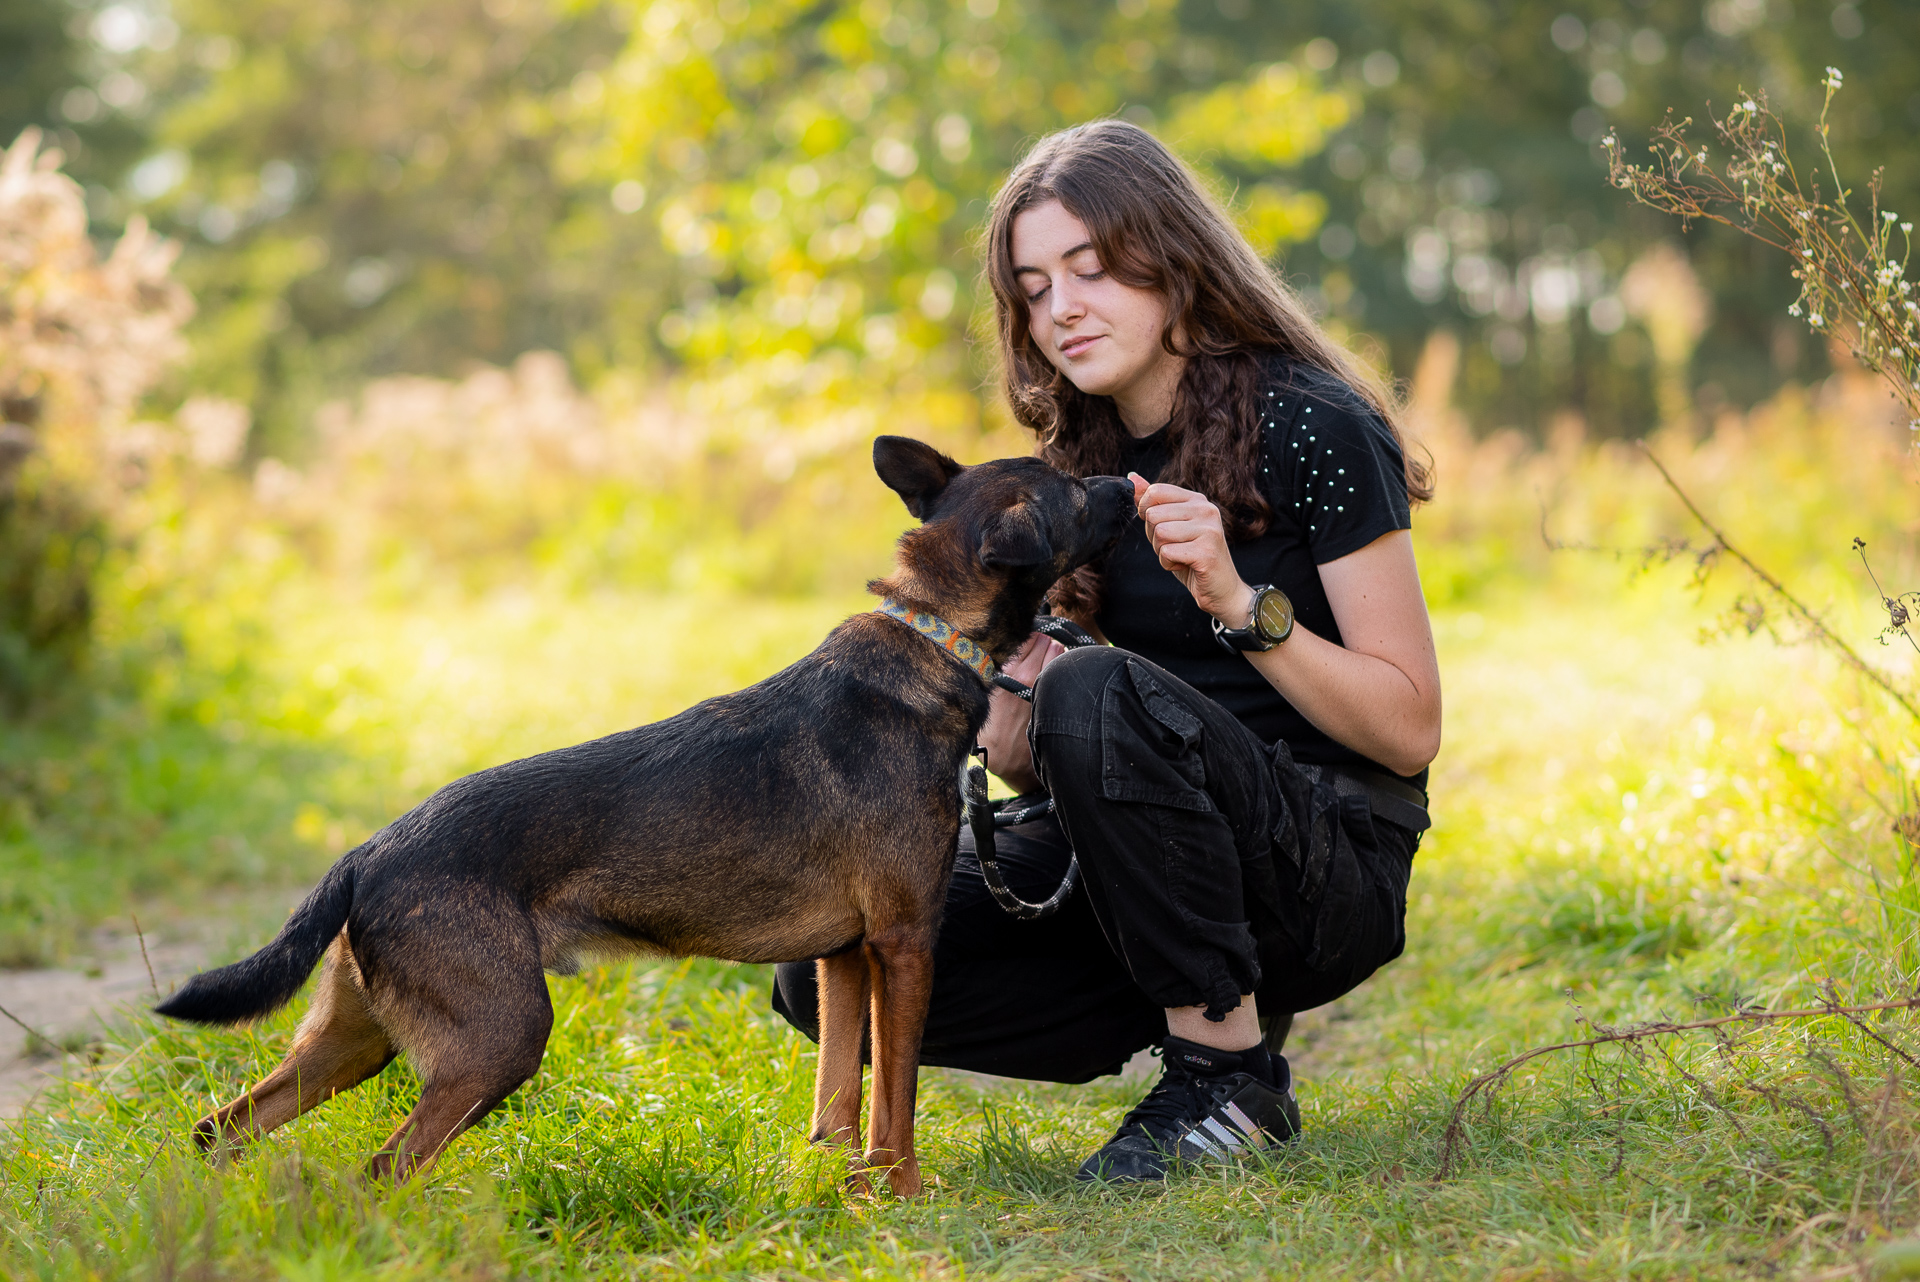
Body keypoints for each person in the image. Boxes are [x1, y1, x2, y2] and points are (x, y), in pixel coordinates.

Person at [772, 119, 1441, 1183]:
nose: (1063, 309)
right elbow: (1067, 749)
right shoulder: (1071, 466)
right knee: (827, 961)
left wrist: (1237, 600)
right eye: (1034, 288)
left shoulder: (1318, 426)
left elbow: (1409, 728)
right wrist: (1007, 713)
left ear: (1174, 262)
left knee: (1088, 684)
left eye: (1092, 270)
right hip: (1130, 872)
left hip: (1322, 863)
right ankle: (1177, 1006)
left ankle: (1228, 1080)